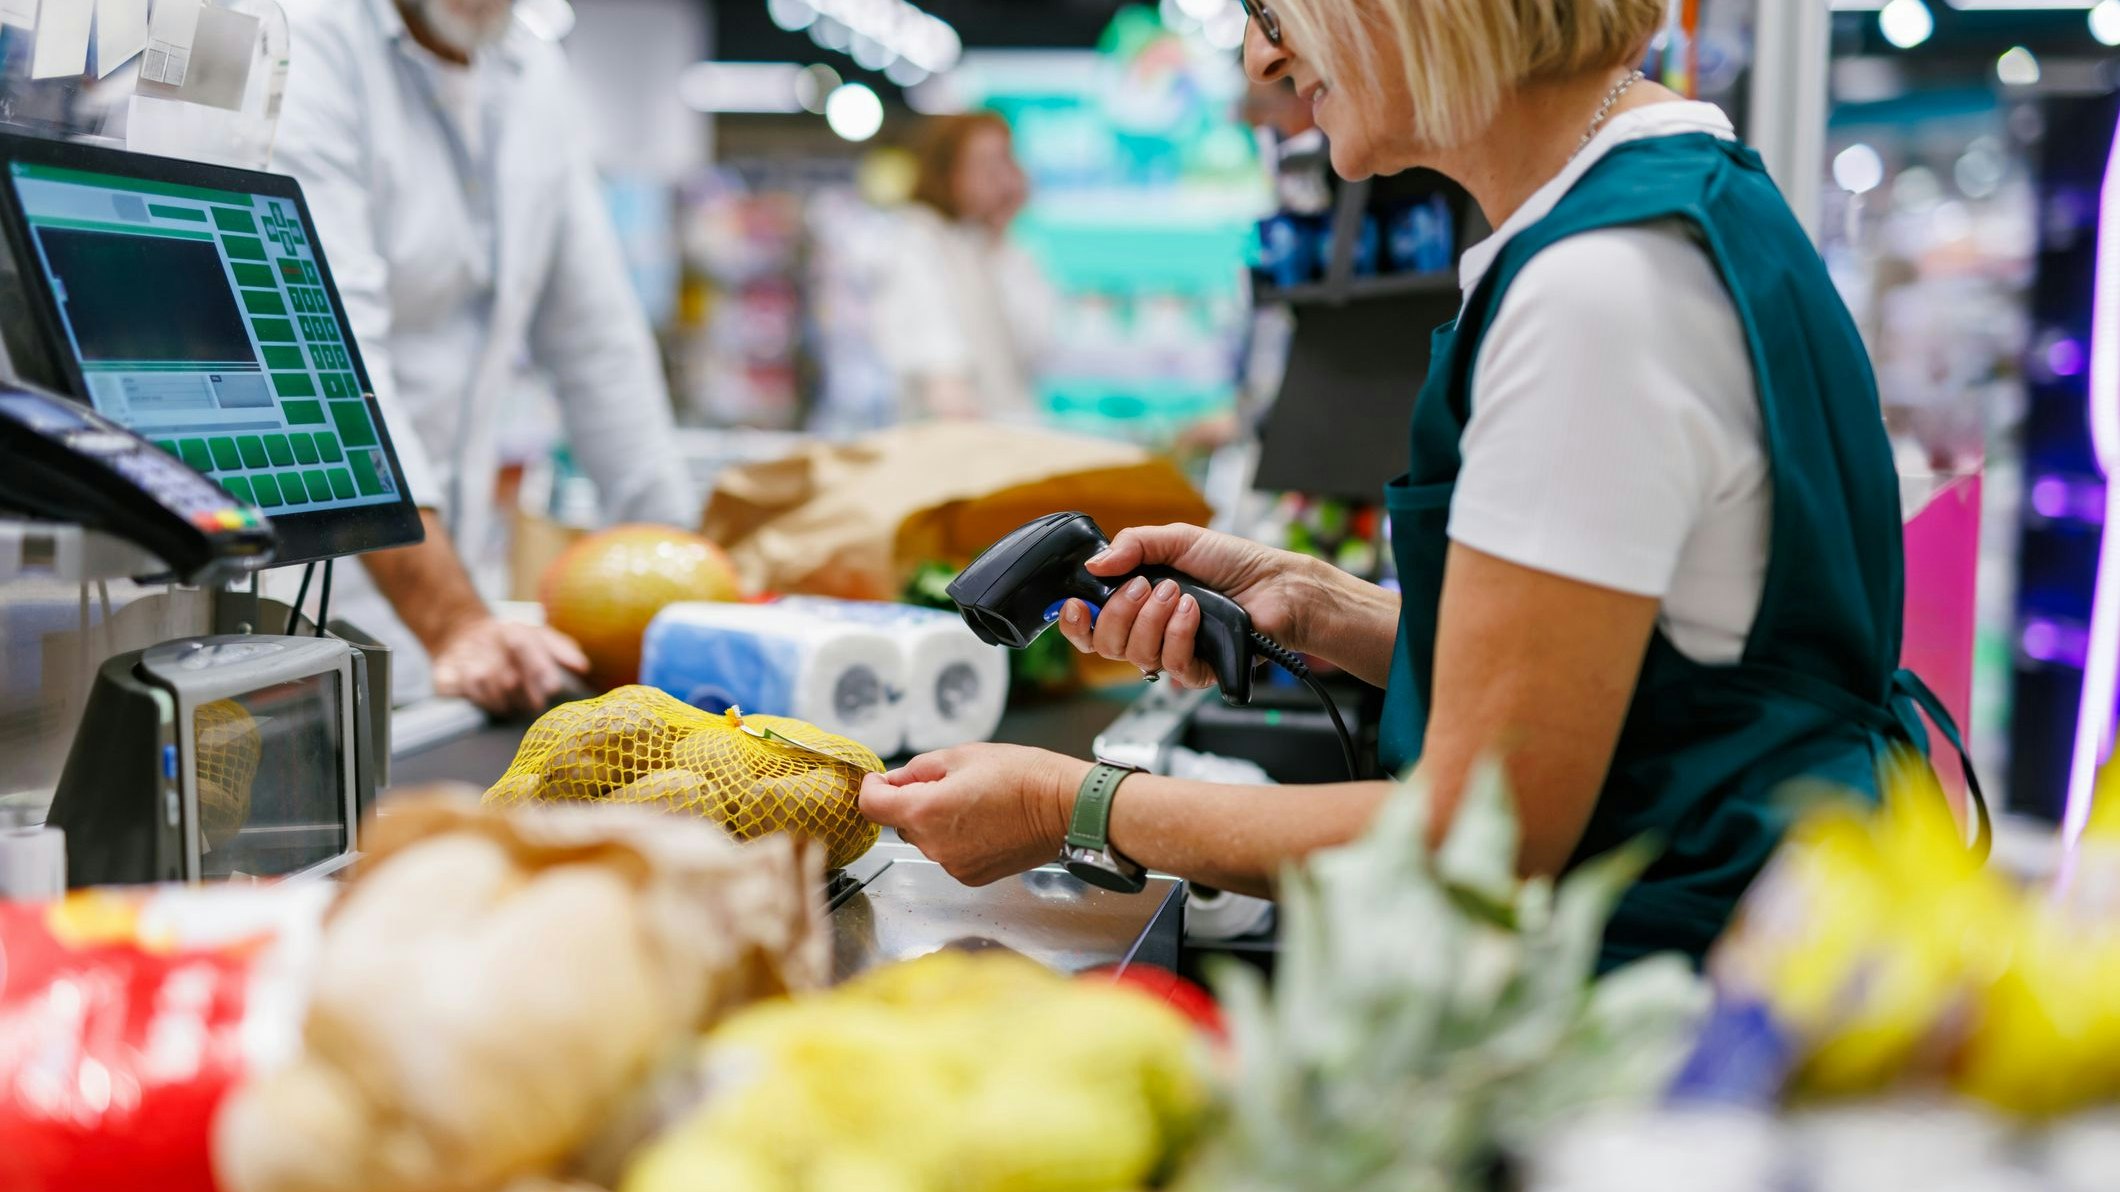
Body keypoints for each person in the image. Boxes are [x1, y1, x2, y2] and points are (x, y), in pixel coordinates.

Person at [860, 0, 1975, 968]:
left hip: (1672, 985)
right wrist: (1321, 608)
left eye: (1275, 9)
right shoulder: (1681, 202)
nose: (1260, 58)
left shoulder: (1593, 293)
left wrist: (1070, 803)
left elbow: (1475, 835)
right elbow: (1651, 684)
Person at [273, 0, 697, 714]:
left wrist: (684, 585)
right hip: (308, 605)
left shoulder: (534, 72)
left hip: (456, 605)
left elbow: (599, 346)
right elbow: (326, 357)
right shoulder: (306, 43)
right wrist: (452, 619)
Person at [875, 112, 1057, 422]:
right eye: (984, 164)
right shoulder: (919, 237)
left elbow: (1034, 343)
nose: (1000, 177)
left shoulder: (991, 245)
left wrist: (1001, 238)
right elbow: (931, 343)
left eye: (1005, 160)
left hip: (1005, 424)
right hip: (953, 429)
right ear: (948, 170)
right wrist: (950, 391)